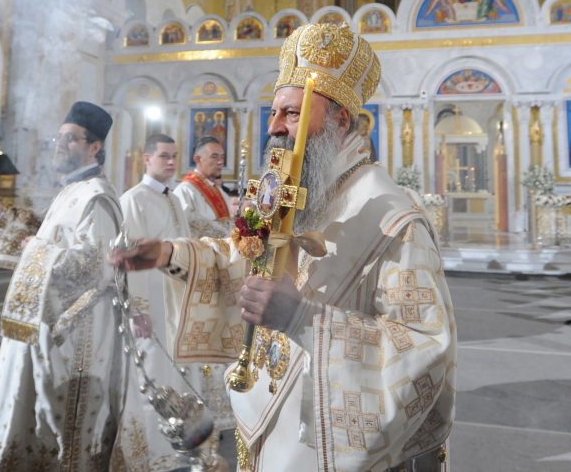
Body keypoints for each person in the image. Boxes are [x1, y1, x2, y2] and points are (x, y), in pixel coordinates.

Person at [112, 24, 456, 472]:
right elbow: (243, 259)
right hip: (263, 414)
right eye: (274, 113)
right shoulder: (292, 189)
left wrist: (302, 319)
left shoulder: (393, 218)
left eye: (291, 114)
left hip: (324, 441)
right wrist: (169, 254)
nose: (273, 127)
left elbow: (428, 349)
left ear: (340, 120)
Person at [0, 101, 124, 470]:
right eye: (59, 137)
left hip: (74, 332)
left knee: (58, 427)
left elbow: (94, 266)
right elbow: (48, 236)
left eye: (70, 139)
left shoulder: (98, 198)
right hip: (46, 326)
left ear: (95, 147)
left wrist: (37, 250)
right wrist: (4, 216)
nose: (60, 144)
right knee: (31, 412)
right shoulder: (70, 192)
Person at [114, 133, 234, 469]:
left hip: (179, 300)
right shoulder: (133, 200)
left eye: (174, 156)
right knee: (154, 375)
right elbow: (129, 260)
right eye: (163, 156)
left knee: (184, 372)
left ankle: (187, 446)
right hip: (152, 301)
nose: (170, 162)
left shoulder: (176, 200)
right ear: (146, 159)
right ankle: (155, 453)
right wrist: (137, 310)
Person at [174, 135, 232, 238]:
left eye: (222, 157)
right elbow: (186, 226)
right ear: (198, 159)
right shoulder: (186, 190)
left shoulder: (220, 192)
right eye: (214, 156)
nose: (220, 161)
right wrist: (224, 234)